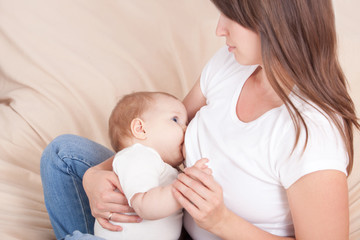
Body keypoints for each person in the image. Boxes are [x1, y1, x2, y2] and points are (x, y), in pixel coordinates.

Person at [41, 0, 359, 239]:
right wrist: (96, 177)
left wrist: (221, 221)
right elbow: (162, 134)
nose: (220, 29)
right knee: (62, 155)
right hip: (170, 220)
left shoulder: (311, 132)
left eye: (232, 17)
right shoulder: (231, 63)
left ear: (275, 23)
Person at [93, 91, 208, 240]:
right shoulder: (138, 156)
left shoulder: (161, 166)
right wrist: (187, 188)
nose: (186, 129)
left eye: (186, 123)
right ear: (140, 129)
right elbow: (144, 206)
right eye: (175, 120)